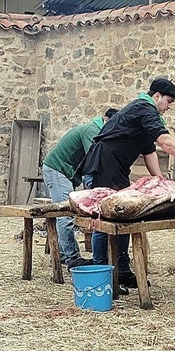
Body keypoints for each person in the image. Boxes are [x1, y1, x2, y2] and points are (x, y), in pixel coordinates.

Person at [80, 78, 175, 288]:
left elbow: (150, 153)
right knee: (105, 219)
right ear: (156, 96)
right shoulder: (144, 108)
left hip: (118, 167)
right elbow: (165, 143)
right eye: (168, 101)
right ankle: (101, 270)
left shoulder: (146, 115)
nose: (169, 107)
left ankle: (122, 270)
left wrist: (160, 181)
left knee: (125, 216)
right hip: (104, 163)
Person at [42, 107, 118, 269]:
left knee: (66, 213)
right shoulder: (93, 131)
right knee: (65, 214)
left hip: (64, 171)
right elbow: (93, 162)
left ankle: (63, 254)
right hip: (57, 169)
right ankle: (72, 258)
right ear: (107, 121)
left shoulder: (97, 131)